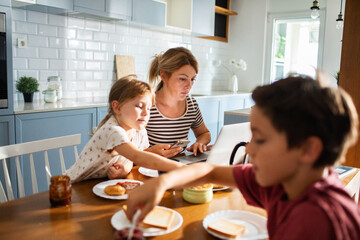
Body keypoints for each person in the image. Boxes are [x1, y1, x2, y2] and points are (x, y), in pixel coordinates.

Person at [125, 74, 360, 239]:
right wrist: (162, 182)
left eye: (259, 139)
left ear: (308, 150)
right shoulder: (286, 182)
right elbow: (211, 171)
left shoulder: (316, 220)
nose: (248, 149)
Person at [65, 75, 183, 183]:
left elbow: (132, 158)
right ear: (117, 107)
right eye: (140, 106)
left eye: (149, 108)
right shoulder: (113, 130)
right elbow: (138, 157)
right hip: (74, 185)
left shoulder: (139, 131)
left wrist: (125, 169)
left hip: (97, 183)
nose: (146, 113)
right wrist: (183, 168)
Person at [145, 47, 211, 158]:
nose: (189, 86)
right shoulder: (147, 104)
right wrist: (149, 152)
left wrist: (200, 142)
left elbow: (204, 134)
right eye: (182, 79)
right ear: (164, 76)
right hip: (147, 168)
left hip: (177, 166)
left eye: (192, 79)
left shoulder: (191, 104)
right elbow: (127, 148)